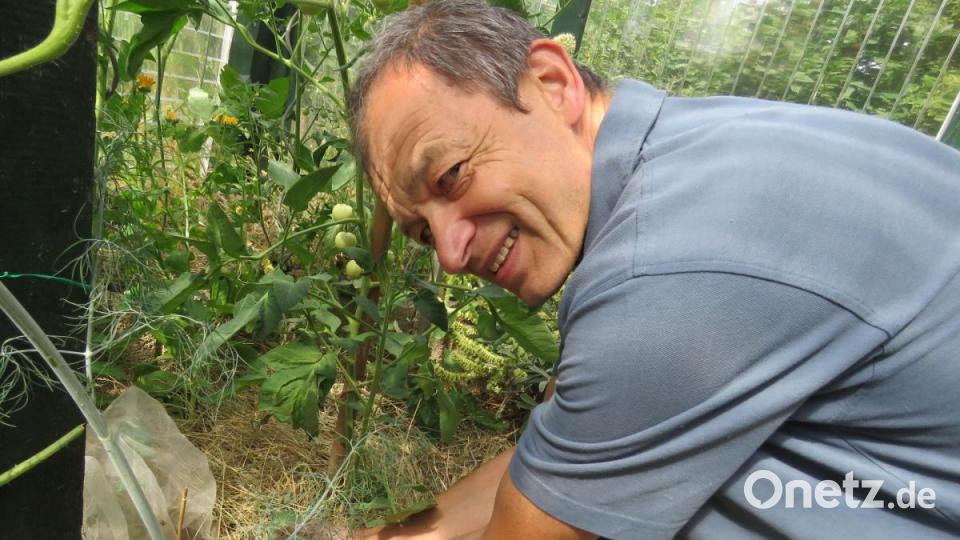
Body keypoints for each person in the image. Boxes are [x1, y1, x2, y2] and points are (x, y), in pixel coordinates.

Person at [344, 1, 960, 538]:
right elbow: (568, 448)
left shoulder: (661, 273)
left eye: (451, 175)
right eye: (424, 232)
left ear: (552, 83)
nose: (451, 256)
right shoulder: (687, 156)